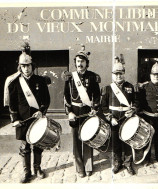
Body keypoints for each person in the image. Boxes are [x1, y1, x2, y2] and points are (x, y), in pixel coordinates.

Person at [8, 52, 50, 183]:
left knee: (38, 144)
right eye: (23, 66)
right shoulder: (14, 83)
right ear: (20, 67)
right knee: (24, 146)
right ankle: (27, 172)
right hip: (23, 120)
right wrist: (15, 119)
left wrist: (42, 111)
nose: (26, 68)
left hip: (37, 119)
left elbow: (46, 100)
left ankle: (37, 168)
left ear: (32, 66)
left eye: (28, 65)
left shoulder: (40, 81)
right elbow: (12, 104)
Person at [63, 47, 101, 178]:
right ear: (75, 62)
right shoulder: (70, 78)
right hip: (75, 112)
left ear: (86, 63)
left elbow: (97, 95)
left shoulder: (92, 77)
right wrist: (69, 112)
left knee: (88, 138)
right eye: (78, 61)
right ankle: (79, 167)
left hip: (87, 112)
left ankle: (89, 165)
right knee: (76, 140)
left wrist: (94, 109)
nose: (80, 64)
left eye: (82, 61)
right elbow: (66, 97)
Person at [100, 59, 138, 175]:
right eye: (116, 74)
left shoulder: (130, 87)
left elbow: (136, 102)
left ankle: (128, 163)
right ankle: (118, 162)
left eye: (120, 73)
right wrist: (110, 118)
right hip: (114, 120)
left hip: (127, 119)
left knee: (127, 142)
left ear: (124, 74)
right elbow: (103, 106)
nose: (118, 76)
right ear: (112, 75)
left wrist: (132, 111)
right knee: (115, 143)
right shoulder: (107, 89)